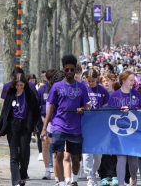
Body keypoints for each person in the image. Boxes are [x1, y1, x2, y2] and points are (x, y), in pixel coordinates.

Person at [41, 55, 90, 186]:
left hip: (75, 127)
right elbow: (50, 108)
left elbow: (87, 105)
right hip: (59, 125)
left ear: (75, 70)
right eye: (67, 70)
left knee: (75, 157)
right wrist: (44, 128)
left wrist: (82, 108)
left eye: (72, 70)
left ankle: (74, 180)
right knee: (59, 154)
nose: (69, 72)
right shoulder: (56, 87)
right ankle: (61, 183)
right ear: (63, 70)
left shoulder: (82, 87)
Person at [0, 73, 40, 186]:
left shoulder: (30, 95)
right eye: (17, 85)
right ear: (14, 84)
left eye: (21, 85)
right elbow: (4, 113)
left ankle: (22, 175)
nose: (19, 87)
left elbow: (36, 112)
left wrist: (37, 126)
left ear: (25, 84)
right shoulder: (10, 94)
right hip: (13, 126)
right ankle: (16, 181)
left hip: (25, 126)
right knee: (14, 155)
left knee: (24, 154)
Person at [108, 70, 141, 186]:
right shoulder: (114, 95)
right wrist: (118, 110)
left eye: (133, 80)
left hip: (133, 131)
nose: (133, 82)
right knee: (121, 158)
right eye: (131, 80)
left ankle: (133, 179)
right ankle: (121, 184)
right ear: (123, 81)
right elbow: (108, 113)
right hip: (118, 131)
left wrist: (136, 110)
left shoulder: (137, 95)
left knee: (133, 159)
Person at [82, 69, 110, 186]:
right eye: (89, 81)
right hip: (86, 124)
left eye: (93, 81)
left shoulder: (102, 90)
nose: (91, 83)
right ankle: (89, 177)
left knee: (98, 155)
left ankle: (93, 173)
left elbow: (107, 105)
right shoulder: (83, 89)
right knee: (88, 153)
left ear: (97, 79)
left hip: (99, 126)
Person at [37, 69, 56, 180]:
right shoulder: (41, 90)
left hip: (56, 122)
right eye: (49, 79)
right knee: (45, 144)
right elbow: (38, 106)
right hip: (44, 121)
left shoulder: (58, 89)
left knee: (55, 145)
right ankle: (47, 169)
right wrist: (41, 118)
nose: (50, 81)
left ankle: (55, 165)